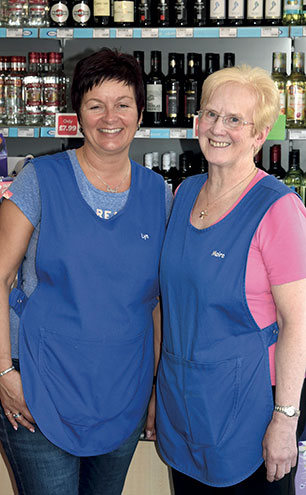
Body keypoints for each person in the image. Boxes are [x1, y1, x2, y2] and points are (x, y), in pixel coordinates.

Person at [0, 47, 172, 495]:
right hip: (39, 386)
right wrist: (3, 374)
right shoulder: (40, 179)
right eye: (96, 105)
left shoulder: (160, 195)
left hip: (122, 392)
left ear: (140, 112)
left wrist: (154, 389)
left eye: (123, 104)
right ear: (78, 113)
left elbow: (154, 304)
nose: (109, 117)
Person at [155, 64, 306, 494]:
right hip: (184, 403)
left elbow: (299, 322)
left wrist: (285, 419)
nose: (218, 128)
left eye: (235, 120)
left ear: (260, 135)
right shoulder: (185, 193)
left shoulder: (278, 209)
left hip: (249, 412)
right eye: (210, 114)